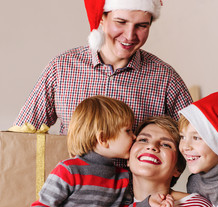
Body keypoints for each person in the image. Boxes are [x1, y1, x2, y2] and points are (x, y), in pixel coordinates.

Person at [14, 0, 192, 135]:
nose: (130, 35)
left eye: (141, 26)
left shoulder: (166, 78)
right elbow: (23, 136)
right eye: (120, 22)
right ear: (101, 18)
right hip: (70, 184)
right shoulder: (61, 68)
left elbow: (196, 140)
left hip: (134, 185)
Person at [25, 96, 175, 207]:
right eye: (128, 131)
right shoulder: (69, 170)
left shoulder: (122, 178)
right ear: (103, 139)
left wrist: (147, 205)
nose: (134, 137)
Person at [115, 116, 218, 207]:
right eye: (143, 140)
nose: (152, 146)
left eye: (166, 145)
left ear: (178, 168)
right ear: (128, 159)